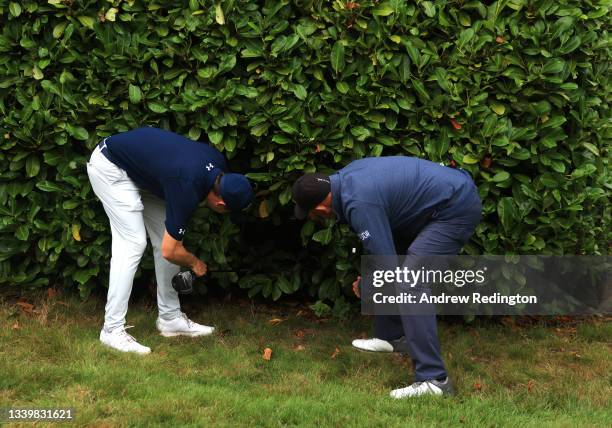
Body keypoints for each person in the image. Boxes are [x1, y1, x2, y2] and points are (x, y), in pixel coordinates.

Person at [292, 156, 481, 398]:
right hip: (439, 202)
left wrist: (370, 284)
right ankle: (393, 336)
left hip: (455, 207)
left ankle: (435, 380)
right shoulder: (344, 180)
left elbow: (386, 263)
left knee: (411, 282)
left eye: (310, 213)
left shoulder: (358, 202)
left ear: (319, 208)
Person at [86, 127, 253, 354]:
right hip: (111, 166)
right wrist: (195, 263)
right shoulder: (187, 185)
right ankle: (111, 330)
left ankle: (170, 318)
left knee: (166, 237)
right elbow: (170, 251)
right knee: (133, 243)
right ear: (221, 204)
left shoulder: (216, 165)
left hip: (143, 174)